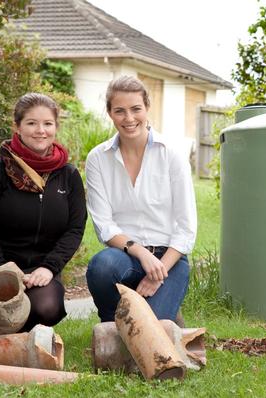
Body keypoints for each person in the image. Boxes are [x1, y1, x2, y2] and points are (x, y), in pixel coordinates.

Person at [0, 93, 87, 336]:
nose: (41, 130)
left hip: (41, 267)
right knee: (1, 320)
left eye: (48, 123)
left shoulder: (68, 175)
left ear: (56, 127)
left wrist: (49, 267)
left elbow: (75, 228)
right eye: (31, 123)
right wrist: (4, 268)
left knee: (47, 309)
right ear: (17, 127)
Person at [85, 75, 197, 324]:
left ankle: (161, 312)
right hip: (125, 257)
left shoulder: (172, 153)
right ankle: (113, 325)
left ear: (147, 107)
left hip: (170, 259)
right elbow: (104, 224)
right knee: (101, 267)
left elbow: (186, 227)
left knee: (149, 331)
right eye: (120, 111)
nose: (129, 118)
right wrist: (141, 253)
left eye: (136, 109)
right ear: (110, 113)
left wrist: (159, 271)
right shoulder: (98, 159)